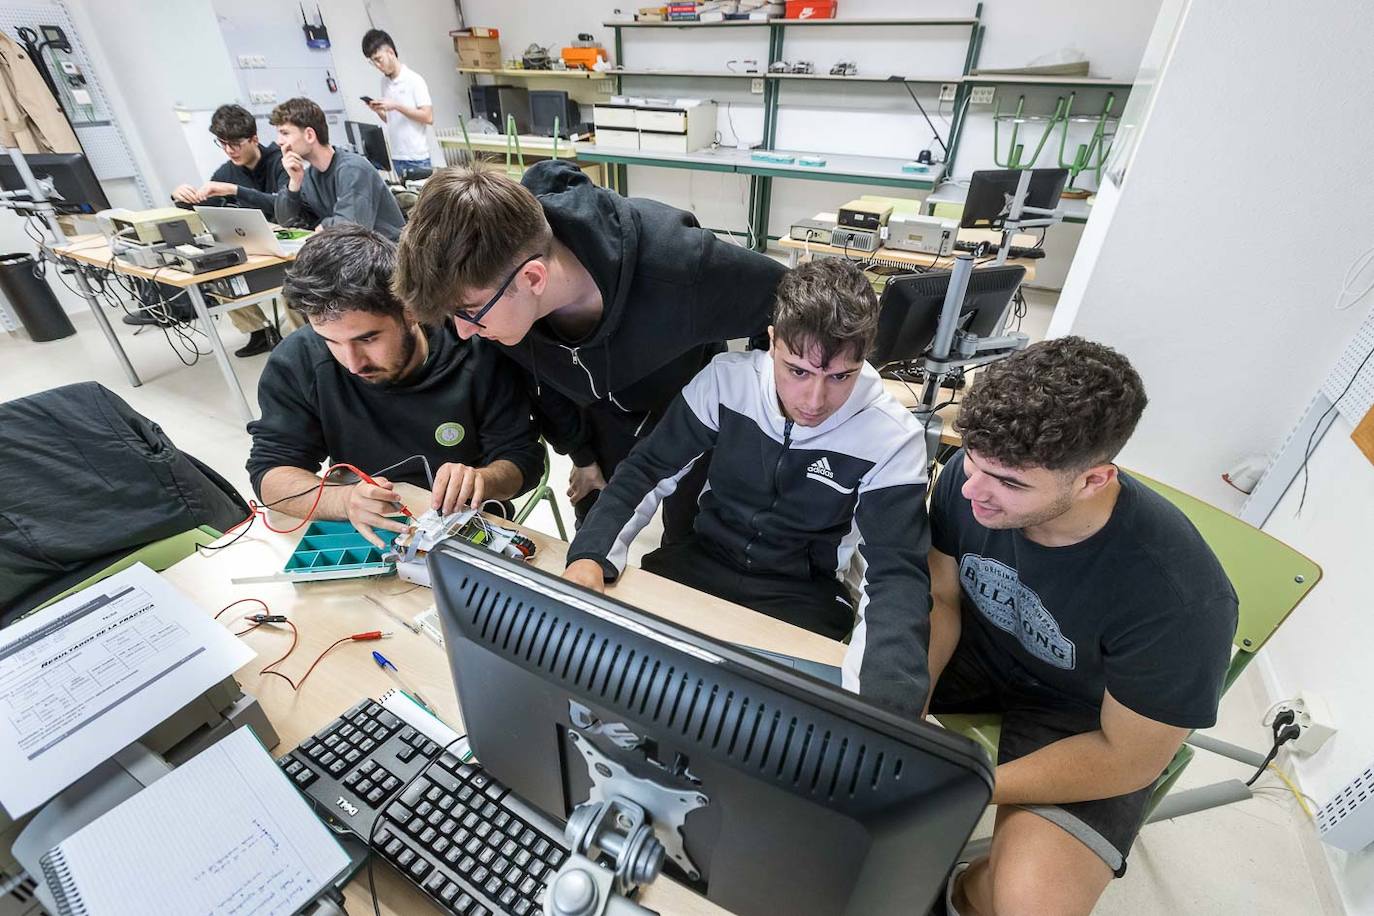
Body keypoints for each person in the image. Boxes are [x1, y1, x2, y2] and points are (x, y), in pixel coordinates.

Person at [926, 338, 1238, 916]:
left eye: (1010, 483)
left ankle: (962, 888)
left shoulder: (1180, 598)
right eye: (970, 457)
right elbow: (941, 599)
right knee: (820, 732)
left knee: (1029, 904)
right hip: (976, 646)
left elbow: (1129, 757)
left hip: (1083, 717)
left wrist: (969, 783)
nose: (972, 489)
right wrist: (906, 711)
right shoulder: (971, 481)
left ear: (1094, 480)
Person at [561, 259, 933, 718]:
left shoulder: (892, 436)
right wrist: (589, 556)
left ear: (865, 357)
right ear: (773, 341)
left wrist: (886, 709)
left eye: (840, 376)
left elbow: (897, 573)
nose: (814, 402)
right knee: (611, 689)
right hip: (701, 561)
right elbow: (647, 470)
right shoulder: (726, 381)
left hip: (801, 594)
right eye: (797, 371)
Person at [393, 161, 786, 543]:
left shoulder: (681, 268)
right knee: (594, 540)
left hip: (686, 409)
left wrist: (758, 412)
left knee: (690, 539)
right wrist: (580, 454)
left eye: (468, 313)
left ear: (533, 278)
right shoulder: (493, 294)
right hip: (599, 421)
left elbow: (793, 306)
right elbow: (540, 380)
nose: (463, 332)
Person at [246, 225, 544, 547]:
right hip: (364, 524)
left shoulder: (477, 350)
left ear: (411, 311)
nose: (353, 362)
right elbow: (272, 473)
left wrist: (481, 480)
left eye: (368, 338)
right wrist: (345, 501)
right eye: (331, 341)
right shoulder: (298, 361)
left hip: (463, 524)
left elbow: (522, 461)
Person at [168, 103, 296, 357]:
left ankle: (301, 340)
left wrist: (236, 191)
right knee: (216, 270)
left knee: (294, 280)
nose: (229, 150)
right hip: (255, 247)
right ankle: (260, 332)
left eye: (235, 144)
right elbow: (200, 208)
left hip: (290, 242)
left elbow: (284, 204)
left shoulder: (281, 163)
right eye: (222, 143)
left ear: (254, 139)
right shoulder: (226, 172)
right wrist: (179, 196)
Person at [269, 97, 405, 242]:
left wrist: (323, 226)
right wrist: (294, 184)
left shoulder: (352, 169)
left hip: (387, 256)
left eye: (285, 133)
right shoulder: (309, 176)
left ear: (309, 135)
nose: (279, 141)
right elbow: (287, 222)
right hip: (353, 255)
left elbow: (351, 230)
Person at [361, 29, 434, 176]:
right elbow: (392, 120)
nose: (377, 65)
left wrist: (396, 106)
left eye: (378, 59)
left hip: (416, 157)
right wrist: (378, 111)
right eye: (372, 61)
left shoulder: (414, 80)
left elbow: (428, 117)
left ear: (390, 53)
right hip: (397, 156)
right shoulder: (384, 83)